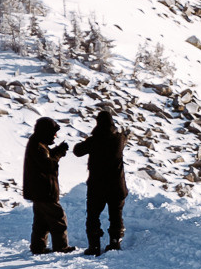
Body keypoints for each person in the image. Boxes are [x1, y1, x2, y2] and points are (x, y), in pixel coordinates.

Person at [73, 108, 127, 254]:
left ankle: (94, 246)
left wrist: (88, 140)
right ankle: (115, 243)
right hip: (117, 186)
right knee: (116, 216)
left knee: (93, 216)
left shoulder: (94, 141)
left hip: (98, 187)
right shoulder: (119, 139)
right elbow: (124, 137)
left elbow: (77, 151)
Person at [23, 117, 69, 254]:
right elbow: (48, 165)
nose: (55, 136)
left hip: (39, 191)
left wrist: (56, 151)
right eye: (53, 133)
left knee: (41, 221)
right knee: (58, 218)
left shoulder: (38, 143)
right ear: (46, 132)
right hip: (44, 191)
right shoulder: (38, 146)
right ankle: (61, 247)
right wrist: (59, 152)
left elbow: (45, 159)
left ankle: (38, 247)